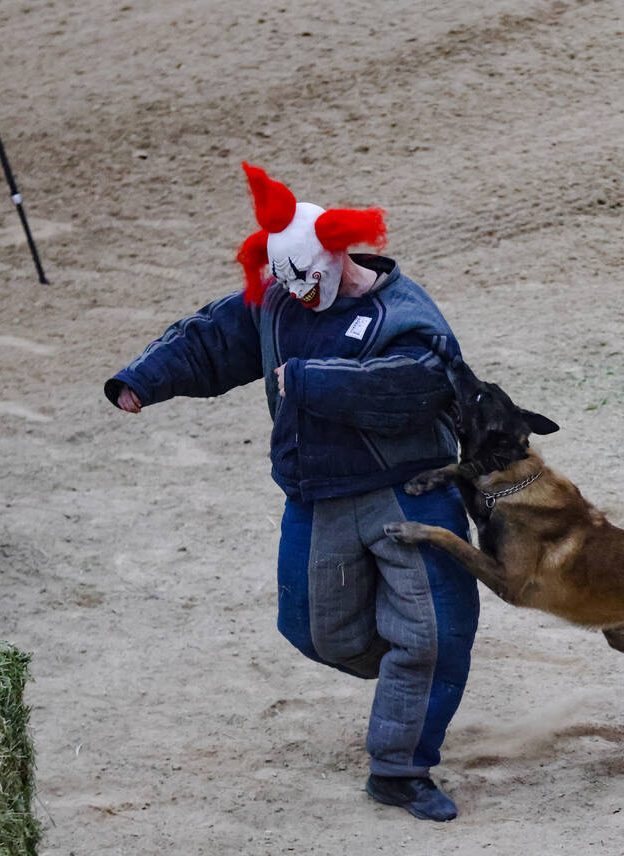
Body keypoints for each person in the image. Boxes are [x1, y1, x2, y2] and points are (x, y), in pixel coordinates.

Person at [104, 163, 480, 822]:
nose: (298, 292)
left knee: (435, 637)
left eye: (307, 275)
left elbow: (417, 387)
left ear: (337, 250)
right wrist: (143, 379)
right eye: (284, 278)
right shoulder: (278, 295)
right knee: (316, 633)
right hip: (318, 494)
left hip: (409, 492)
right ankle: (406, 676)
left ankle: (400, 768)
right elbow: (215, 337)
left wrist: (309, 380)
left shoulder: (407, 313)